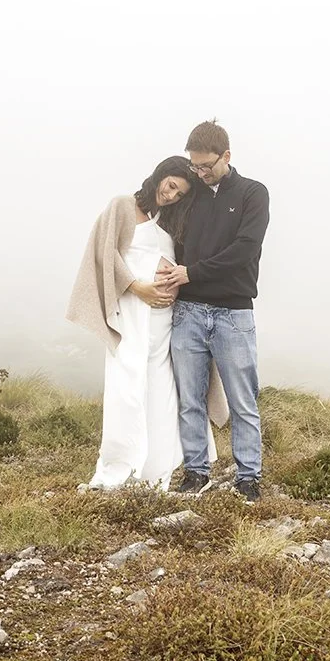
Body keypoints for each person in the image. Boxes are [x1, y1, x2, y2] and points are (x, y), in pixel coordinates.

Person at [65, 156, 224, 490]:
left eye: (180, 194)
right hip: (132, 314)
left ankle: (155, 473)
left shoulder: (168, 219)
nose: (171, 195)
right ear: (160, 175)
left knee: (162, 393)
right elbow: (105, 253)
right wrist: (139, 287)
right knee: (127, 388)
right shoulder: (122, 205)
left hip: (164, 321)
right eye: (171, 186)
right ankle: (119, 467)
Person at [158, 120, 270, 502]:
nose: (200, 172)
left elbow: (245, 250)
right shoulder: (191, 193)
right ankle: (196, 473)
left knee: (243, 401)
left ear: (226, 156)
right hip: (187, 311)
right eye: (195, 165)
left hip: (233, 314)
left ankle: (248, 478)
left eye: (206, 165)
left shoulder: (254, 193)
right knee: (189, 398)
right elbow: (164, 230)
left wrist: (192, 272)